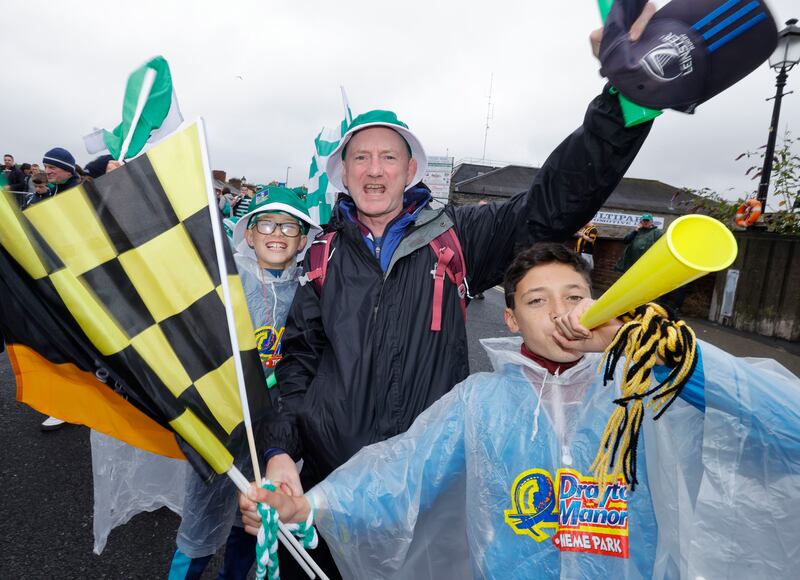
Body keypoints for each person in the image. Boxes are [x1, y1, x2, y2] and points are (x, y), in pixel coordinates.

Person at [257, 9, 658, 577]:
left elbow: (552, 205)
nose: (375, 171)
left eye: (389, 156)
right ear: (342, 173)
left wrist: (623, 104)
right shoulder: (319, 256)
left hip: (430, 488)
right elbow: (298, 367)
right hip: (330, 483)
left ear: (410, 168)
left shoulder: (459, 238)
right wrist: (279, 452)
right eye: (361, 158)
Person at [242, 242, 800, 579]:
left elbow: (783, 423)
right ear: (511, 318)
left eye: (575, 296)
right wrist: (306, 507)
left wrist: (656, 351)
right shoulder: (480, 401)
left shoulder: (650, 386)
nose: (560, 312)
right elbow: (397, 475)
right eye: (537, 300)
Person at [168, 186, 321, 580]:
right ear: (249, 234)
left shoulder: (310, 291)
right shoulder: (225, 280)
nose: (277, 232)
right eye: (266, 223)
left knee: (254, 515)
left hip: (274, 430)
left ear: (303, 240)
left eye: (290, 227)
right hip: (222, 421)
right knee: (201, 518)